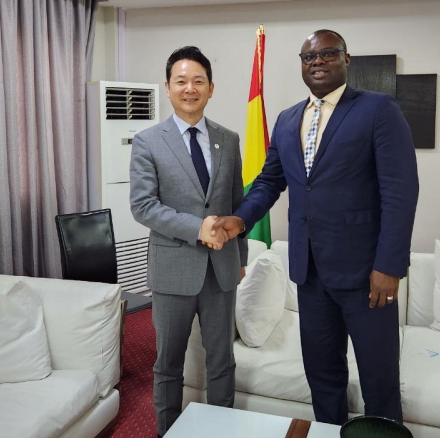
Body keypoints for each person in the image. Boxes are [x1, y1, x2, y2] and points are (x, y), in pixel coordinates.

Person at [211, 30, 419, 425]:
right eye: (309, 57)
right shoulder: (288, 119)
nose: (318, 61)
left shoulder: (378, 110)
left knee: (379, 380)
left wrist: (390, 266)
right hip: (309, 274)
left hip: (366, 275)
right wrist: (241, 218)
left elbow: (400, 192)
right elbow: (269, 181)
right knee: (322, 376)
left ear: (346, 59)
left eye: (328, 53)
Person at [130, 46, 248, 437]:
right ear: (167, 87)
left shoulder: (228, 139)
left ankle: (221, 432)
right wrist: (198, 228)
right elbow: (143, 206)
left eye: (198, 81)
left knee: (222, 362)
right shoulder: (147, 141)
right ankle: (167, 431)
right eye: (181, 81)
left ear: (211, 88)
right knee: (168, 364)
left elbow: (237, 205)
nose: (190, 88)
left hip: (222, 270)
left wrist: (241, 257)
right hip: (172, 270)